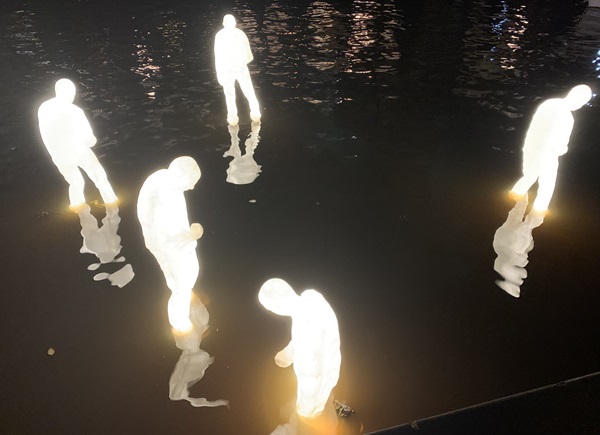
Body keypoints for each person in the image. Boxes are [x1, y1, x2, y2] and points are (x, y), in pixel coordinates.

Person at [137, 156, 204, 333]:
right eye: (191, 182)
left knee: (173, 275)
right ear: (180, 177)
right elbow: (170, 237)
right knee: (183, 281)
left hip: (156, 242)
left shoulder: (161, 177)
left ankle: (184, 296)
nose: (192, 187)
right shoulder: (167, 198)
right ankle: (181, 325)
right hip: (168, 246)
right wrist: (193, 234)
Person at [259, 278, 341, 419]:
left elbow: (310, 373)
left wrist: (305, 409)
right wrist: (287, 355)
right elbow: (305, 337)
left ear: (277, 306)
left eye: (271, 308)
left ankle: (316, 419)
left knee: (309, 414)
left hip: (320, 380)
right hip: (333, 363)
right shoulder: (312, 299)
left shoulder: (304, 334)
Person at [38, 78, 118, 209]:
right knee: (100, 178)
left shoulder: (43, 108)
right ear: (71, 92)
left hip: (57, 155)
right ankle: (112, 206)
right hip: (78, 151)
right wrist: (93, 140)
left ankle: (79, 210)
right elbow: (89, 140)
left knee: (75, 183)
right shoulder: (74, 111)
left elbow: (45, 131)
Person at [510, 84, 592, 212]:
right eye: (583, 103)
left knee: (529, 176)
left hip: (531, 146)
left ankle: (514, 197)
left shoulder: (549, 103)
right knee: (547, 186)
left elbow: (534, 126)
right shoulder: (567, 117)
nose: (581, 106)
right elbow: (560, 146)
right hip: (547, 154)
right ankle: (537, 214)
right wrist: (564, 150)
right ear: (579, 101)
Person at [214, 14, 261, 126]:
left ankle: (232, 119)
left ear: (223, 23)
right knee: (249, 91)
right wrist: (242, 62)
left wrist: (219, 73)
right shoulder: (240, 34)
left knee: (229, 95)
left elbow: (218, 57)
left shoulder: (220, 35)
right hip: (241, 68)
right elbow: (249, 56)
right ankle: (255, 113)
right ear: (234, 23)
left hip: (227, 69)